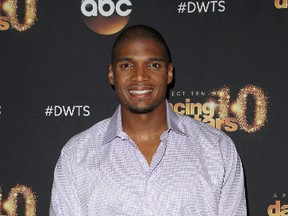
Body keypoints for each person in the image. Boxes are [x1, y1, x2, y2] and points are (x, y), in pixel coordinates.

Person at [49, 25, 247, 216]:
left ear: (169, 73)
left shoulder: (217, 149)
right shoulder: (76, 155)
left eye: (153, 65)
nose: (140, 77)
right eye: (126, 65)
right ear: (112, 74)